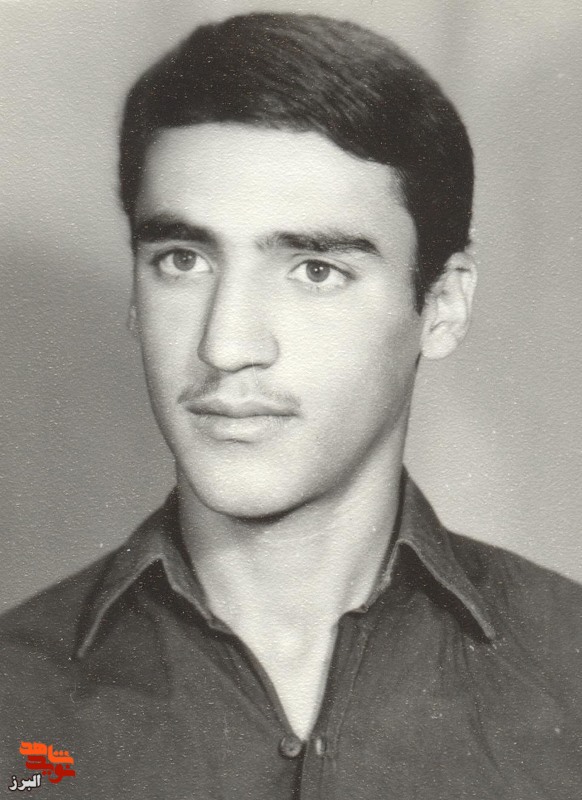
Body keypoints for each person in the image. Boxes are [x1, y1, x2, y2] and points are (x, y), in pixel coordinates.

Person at [0, 12, 580, 799]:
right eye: (182, 260)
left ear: (443, 305)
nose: (226, 344)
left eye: (314, 270)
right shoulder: (15, 698)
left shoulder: (569, 672)